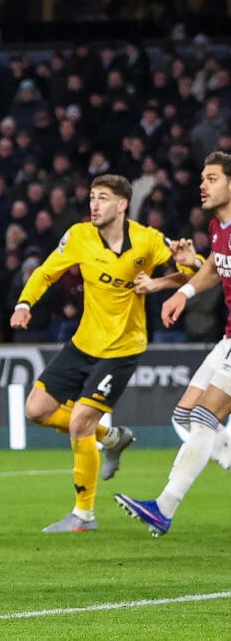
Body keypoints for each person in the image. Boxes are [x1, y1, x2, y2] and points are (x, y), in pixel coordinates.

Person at [9, 174, 200, 532]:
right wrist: (24, 303)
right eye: (92, 198)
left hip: (122, 348)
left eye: (102, 198)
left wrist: (170, 274)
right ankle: (111, 437)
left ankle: (83, 516)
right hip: (84, 343)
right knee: (35, 411)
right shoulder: (80, 236)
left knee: (79, 421)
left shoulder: (147, 240)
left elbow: (196, 272)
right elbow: (45, 273)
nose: (94, 205)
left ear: (122, 204)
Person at [115, 152, 231, 536]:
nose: (203, 184)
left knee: (204, 418)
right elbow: (214, 268)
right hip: (228, 337)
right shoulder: (218, 227)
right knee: (185, 416)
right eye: (203, 178)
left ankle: (163, 507)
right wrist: (183, 292)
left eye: (212, 178)